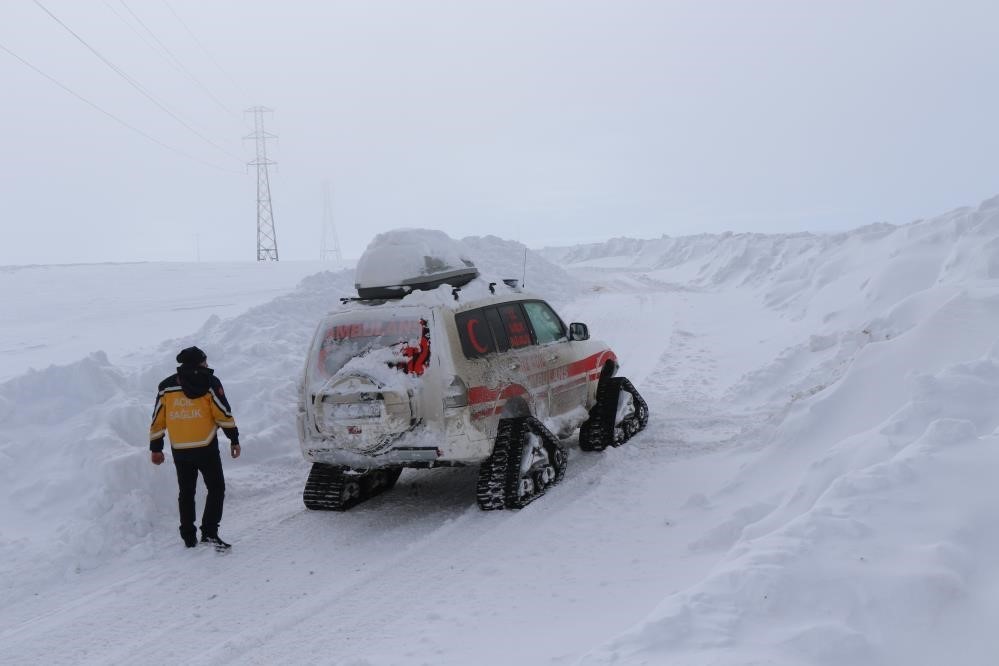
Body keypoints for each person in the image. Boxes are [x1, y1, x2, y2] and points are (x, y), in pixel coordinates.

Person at [149, 346, 241, 551]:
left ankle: (188, 537)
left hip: (180, 448)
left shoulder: (166, 387)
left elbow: (157, 420)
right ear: (199, 362)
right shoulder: (210, 383)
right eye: (205, 361)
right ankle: (209, 532)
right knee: (216, 488)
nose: (207, 364)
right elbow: (222, 414)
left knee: (186, 492)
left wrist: (156, 448)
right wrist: (234, 438)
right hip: (206, 446)